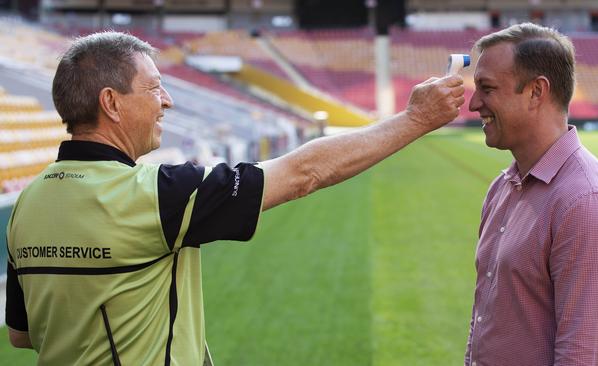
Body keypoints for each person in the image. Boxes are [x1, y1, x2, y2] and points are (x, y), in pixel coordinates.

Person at [5, 31, 465, 365]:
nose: (166, 100)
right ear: (111, 102)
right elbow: (304, 173)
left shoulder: (29, 204)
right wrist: (415, 120)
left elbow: (23, 336)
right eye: (153, 87)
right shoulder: (155, 194)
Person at [465, 23, 598, 366]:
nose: (473, 104)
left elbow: (584, 355)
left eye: (487, 88)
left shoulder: (586, 203)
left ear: (536, 92)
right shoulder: (503, 187)